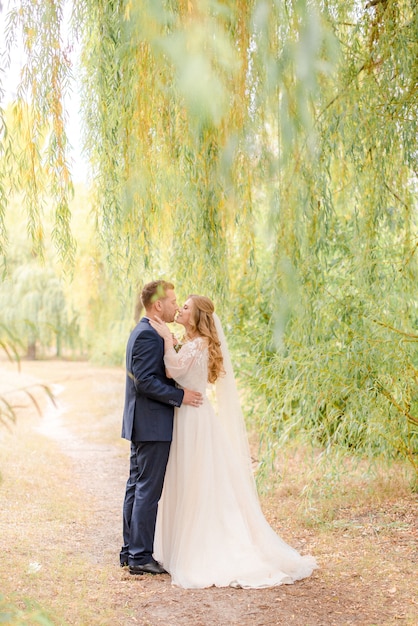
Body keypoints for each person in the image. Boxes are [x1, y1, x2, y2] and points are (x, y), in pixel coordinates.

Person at [149, 295, 318, 589]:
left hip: (193, 417)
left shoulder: (199, 343)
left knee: (196, 479)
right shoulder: (192, 342)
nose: (180, 309)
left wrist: (165, 339)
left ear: (197, 316)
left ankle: (201, 546)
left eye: (185, 307)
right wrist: (173, 342)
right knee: (186, 478)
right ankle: (180, 543)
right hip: (189, 413)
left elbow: (171, 370)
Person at [120, 281, 203, 576]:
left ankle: (131, 551)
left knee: (137, 486)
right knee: (146, 490)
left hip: (143, 421)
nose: (175, 305)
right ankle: (140, 555)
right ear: (158, 304)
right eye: (172, 301)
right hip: (152, 422)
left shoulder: (145, 331)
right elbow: (144, 381)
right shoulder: (148, 336)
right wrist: (180, 396)